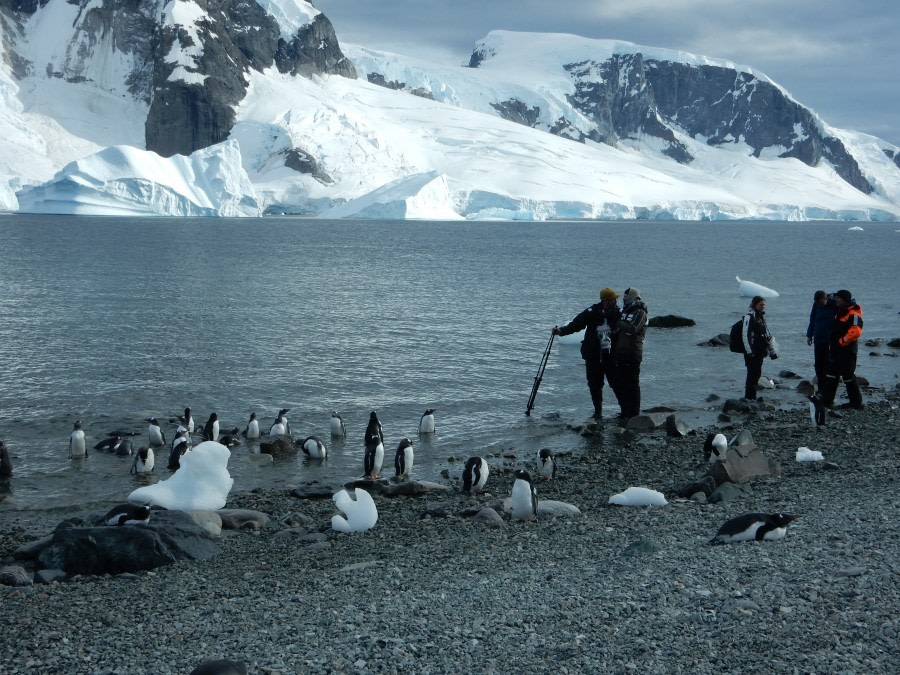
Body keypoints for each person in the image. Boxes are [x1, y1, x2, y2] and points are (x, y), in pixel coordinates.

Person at [553, 288, 621, 419]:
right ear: (605, 301)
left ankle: (625, 411)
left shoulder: (618, 314)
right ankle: (598, 412)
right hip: (593, 355)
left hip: (611, 356)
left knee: (616, 383)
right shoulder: (592, 311)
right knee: (594, 384)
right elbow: (576, 324)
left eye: (615, 300)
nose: (615, 302)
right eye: (613, 299)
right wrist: (561, 331)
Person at [819, 289, 863, 409]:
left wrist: (842, 342)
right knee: (832, 374)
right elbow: (827, 298)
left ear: (845, 300)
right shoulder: (841, 311)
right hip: (836, 349)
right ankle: (826, 401)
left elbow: (855, 332)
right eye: (836, 298)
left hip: (847, 350)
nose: (836, 300)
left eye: (839, 298)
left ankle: (856, 402)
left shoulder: (853, 313)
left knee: (848, 376)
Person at [611, 287, 648, 419]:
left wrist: (619, 323)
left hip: (633, 353)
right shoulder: (626, 311)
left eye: (625, 296)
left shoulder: (640, 312)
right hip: (622, 353)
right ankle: (626, 411)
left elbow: (633, 329)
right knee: (622, 382)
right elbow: (621, 331)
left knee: (632, 383)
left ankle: (634, 413)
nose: (623, 299)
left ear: (632, 296)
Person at [741, 296, 778, 400]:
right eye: (761, 304)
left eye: (764, 304)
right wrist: (749, 351)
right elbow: (745, 335)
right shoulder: (749, 317)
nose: (763, 306)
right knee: (752, 374)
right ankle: (749, 397)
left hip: (760, 351)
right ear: (754, 305)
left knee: (757, 374)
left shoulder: (760, 317)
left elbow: (763, 334)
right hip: (752, 352)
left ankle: (752, 396)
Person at [806, 290, 834, 394]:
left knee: (827, 364)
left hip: (830, 340)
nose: (819, 305)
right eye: (818, 303)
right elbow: (812, 319)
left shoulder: (833, 305)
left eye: (821, 303)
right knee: (818, 365)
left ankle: (828, 389)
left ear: (825, 299)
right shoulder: (816, 305)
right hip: (818, 338)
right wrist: (809, 335)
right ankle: (820, 388)